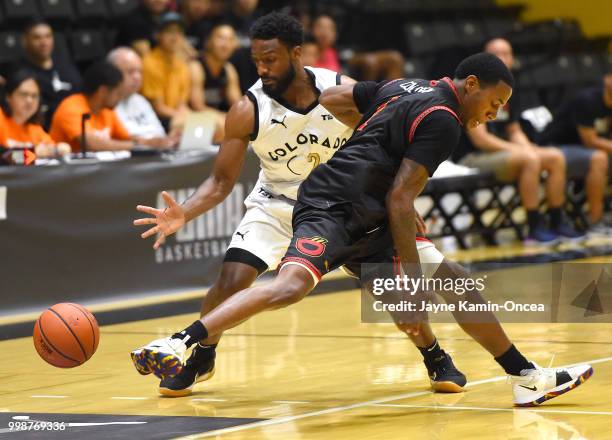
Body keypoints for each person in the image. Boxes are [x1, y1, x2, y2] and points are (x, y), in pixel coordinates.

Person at [131, 52, 593, 407]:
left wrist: (375, 142)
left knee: (452, 280)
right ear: (470, 85)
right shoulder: (445, 121)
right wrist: (410, 280)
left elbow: (332, 101)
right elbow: (399, 199)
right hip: (335, 205)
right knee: (292, 286)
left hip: (367, 211)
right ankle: (181, 341)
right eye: (494, 103)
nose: (494, 114)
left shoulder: (406, 86)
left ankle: (524, 377)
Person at [130, 12, 467, 398]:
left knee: (391, 291)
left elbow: (382, 146)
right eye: (256, 60)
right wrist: (184, 212)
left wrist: (401, 203)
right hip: (279, 203)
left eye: (270, 59)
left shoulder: (341, 91)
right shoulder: (247, 109)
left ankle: (434, 354)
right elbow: (221, 181)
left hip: (344, 205)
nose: (262, 68)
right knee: (231, 280)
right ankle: (203, 353)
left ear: (296, 53)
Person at [454, 38, 582, 244]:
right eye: (497, 54)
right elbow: (481, 140)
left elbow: (514, 129)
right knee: (530, 160)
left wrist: (527, 147)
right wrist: (522, 152)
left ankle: (558, 222)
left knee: (555, 157)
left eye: (507, 53)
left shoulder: (507, 89)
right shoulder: (478, 86)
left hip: (503, 153)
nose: (503, 58)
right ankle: (534, 227)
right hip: (472, 158)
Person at [539, 67, 612, 232]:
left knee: (601, 156)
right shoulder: (587, 100)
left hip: (581, 148)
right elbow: (590, 141)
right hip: (554, 147)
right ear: (607, 79)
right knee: (599, 158)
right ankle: (595, 221)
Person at [50, 61, 171, 152]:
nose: (120, 98)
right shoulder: (71, 107)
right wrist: (142, 145)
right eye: (118, 93)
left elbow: (126, 139)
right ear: (103, 91)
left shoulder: (106, 110)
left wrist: (150, 142)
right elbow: (92, 145)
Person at [107, 47, 178, 147]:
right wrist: (147, 143)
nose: (137, 77)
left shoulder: (140, 101)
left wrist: (171, 139)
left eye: (139, 71)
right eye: (130, 72)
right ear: (111, 72)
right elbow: (114, 139)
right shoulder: (105, 103)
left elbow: (159, 134)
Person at [18, 19, 82, 128]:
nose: (44, 42)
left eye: (48, 36)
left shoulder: (65, 65)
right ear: (25, 41)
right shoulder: (20, 73)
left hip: (76, 124)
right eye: (37, 38)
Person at [0, 69, 71, 158]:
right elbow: (5, 157)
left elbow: (52, 149)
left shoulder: (36, 130)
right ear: (8, 97)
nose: (29, 101)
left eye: (34, 96)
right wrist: (32, 154)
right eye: (23, 94)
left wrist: (57, 150)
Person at [141, 12, 191, 130]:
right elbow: (158, 108)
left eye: (179, 32)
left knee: (213, 122)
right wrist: (185, 117)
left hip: (175, 116)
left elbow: (182, 104)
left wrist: (188, 116)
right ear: (158, 35)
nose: (175, 36)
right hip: (155, 120)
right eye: (169, 31)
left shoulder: (182, 64)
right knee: (185, 124)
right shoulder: (150, 62)